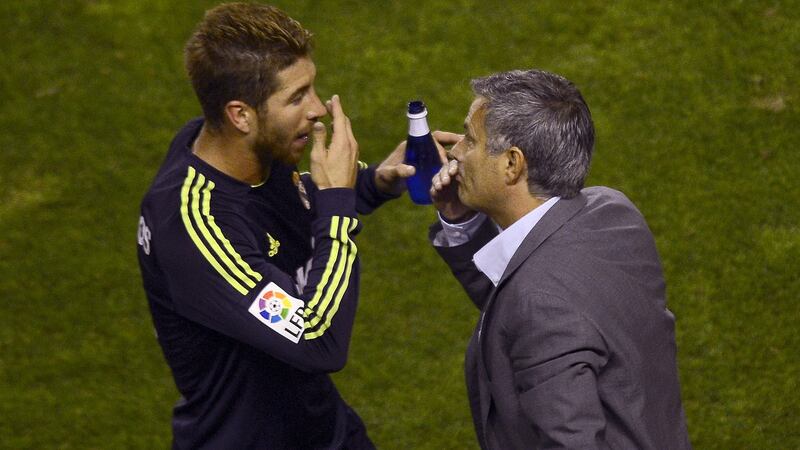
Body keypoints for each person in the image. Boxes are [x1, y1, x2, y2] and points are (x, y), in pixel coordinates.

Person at [136, 3, 413, 448]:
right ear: (240, 115)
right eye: (297, 96)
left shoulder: (240, 152)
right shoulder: (195, 229)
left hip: (324, 430)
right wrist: (339, 206)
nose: (319, 108)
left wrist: (371, 181)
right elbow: (315, 339)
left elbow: (286, 201)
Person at [428, 69, 692, 449]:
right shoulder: (614, 212)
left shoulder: (540, 306)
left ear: (512, 164)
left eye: (471, 139)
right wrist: (462, 221)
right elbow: (527, 289)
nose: (455, 151)